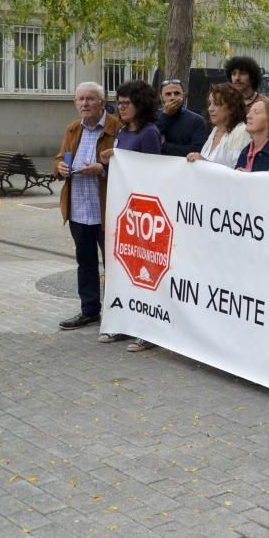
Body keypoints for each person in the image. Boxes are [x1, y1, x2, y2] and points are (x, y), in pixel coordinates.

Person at [98, 80, 162, 351]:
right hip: (125, 211)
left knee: (145, 272)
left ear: (140, 105)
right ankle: (123, 324)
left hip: (144, 213)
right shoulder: (122, 133)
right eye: (119, 104)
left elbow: (152, 172)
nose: (121, 109)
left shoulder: (149, 133)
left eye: (126, 104)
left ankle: (147, 331)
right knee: (124, 269)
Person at [54, 82, 121, 331]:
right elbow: (60, 157)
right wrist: (59, 168)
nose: (84, 104)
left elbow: (128, 166)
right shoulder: (73, 129)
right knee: (86, 263)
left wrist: (102, 170)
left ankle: (118, 314)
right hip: (78, 209)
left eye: (90, 99)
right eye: (80, 99)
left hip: (107, 210)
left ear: (102, 103)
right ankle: (89, 310)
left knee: (114, 265)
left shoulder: (117, 128)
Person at [186, 83, 250, 168]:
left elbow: (238, 171)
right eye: (209, 104)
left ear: (232, 107)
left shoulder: (241, 131)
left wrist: (204, 163)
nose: (210, 109)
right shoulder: (216, 129)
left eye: (216, 104)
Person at [156, 78, 210, 156]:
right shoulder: (154, 116)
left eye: (177, 93)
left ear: (183, 95)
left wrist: (164, 146)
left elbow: (198, 150)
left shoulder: (197, 120)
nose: (173, 97)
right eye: (168, 94)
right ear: (161, 97)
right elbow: (150, 141)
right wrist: (165, 116)